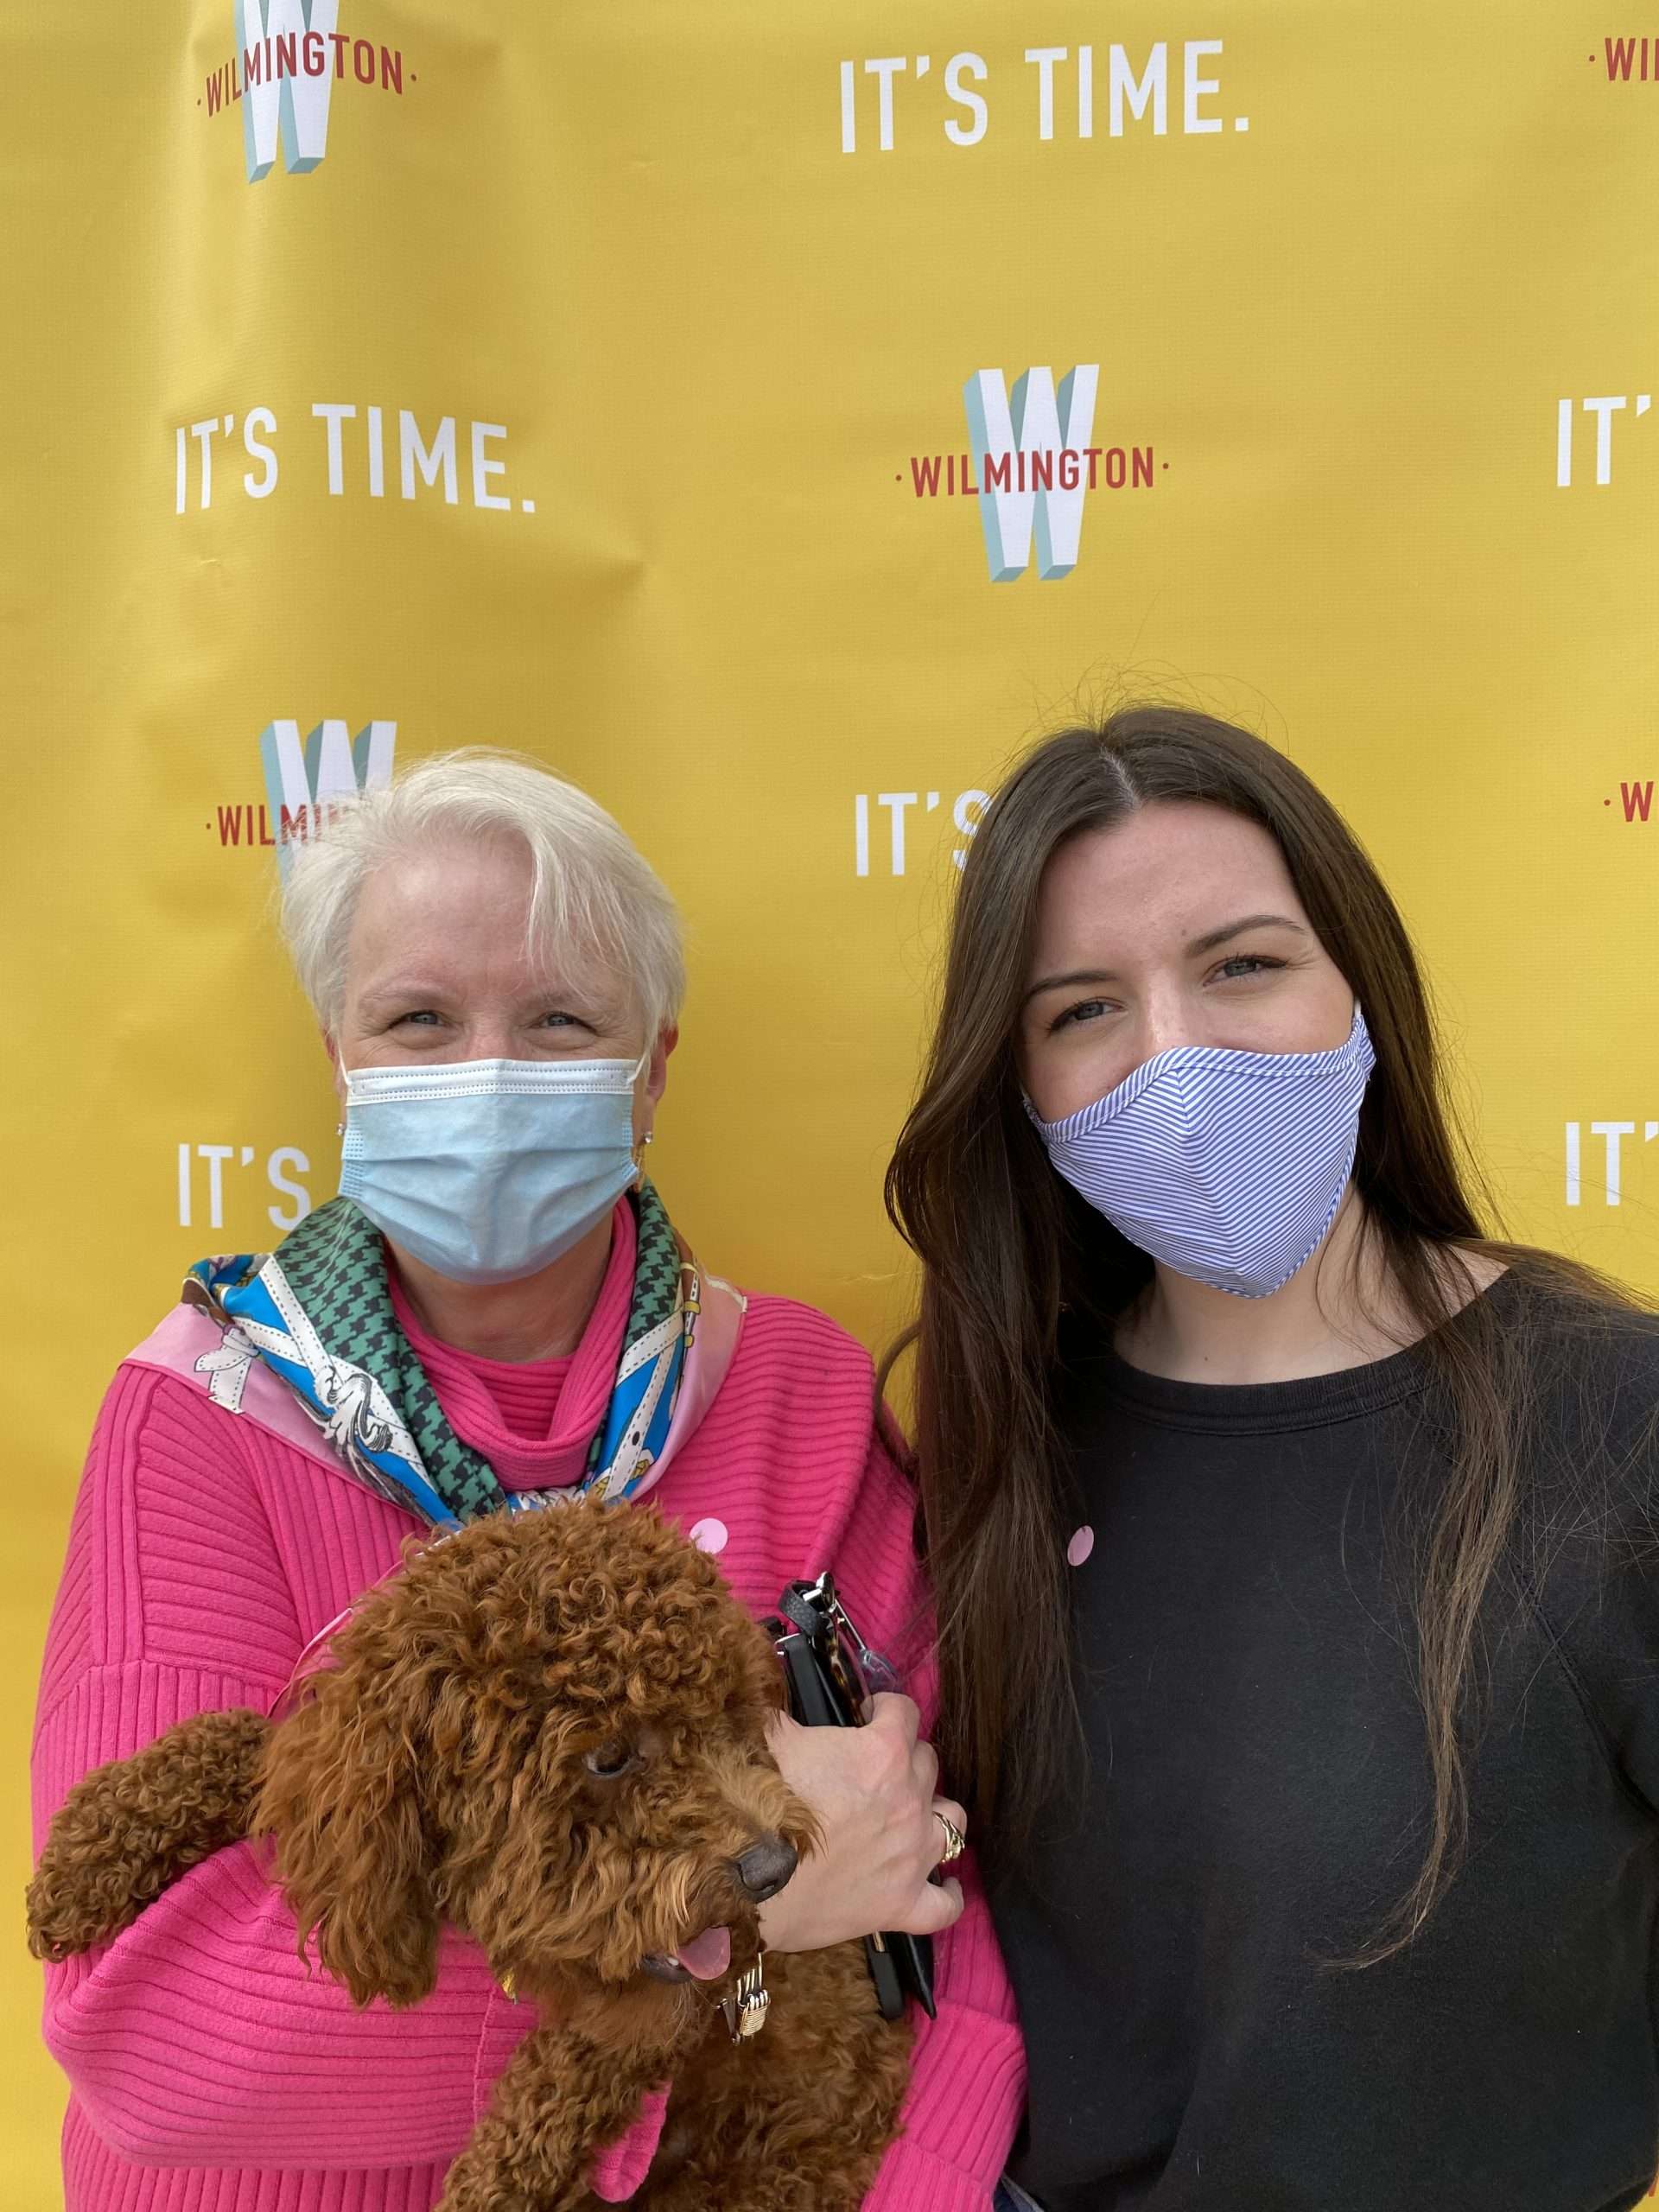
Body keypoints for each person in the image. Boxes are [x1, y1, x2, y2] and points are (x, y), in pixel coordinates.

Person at [31, 750, 1022, 2212]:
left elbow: (940, 1886)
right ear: (340, 1056)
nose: (484, 1073)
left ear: (652, 1071)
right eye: (419, 1020)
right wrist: (727, 1920)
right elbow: (159, 2028)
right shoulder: (203, 1413)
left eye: (559, 1022)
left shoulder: (794, 1392)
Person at [887, 706, 1659, 2212]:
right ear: (1021, 1088)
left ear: (1362, 988)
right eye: (1083, 1009)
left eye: (1243, 964)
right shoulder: (1013, 1440)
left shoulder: (1616, 1420)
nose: (1176, 1056)